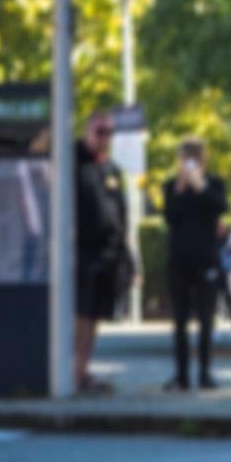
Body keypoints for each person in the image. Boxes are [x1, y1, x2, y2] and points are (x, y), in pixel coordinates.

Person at [161, 139, 225, 391]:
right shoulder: (171, 186)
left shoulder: (214, 184)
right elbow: (169, 216)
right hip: (179, 261)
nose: (190, 162)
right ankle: (181, 375)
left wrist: (199, 185)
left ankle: (205, 373)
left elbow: (219, 207)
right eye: (185, 156)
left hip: (206, 258)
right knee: (179, 319)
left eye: (195, 156)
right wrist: (180, 187)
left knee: (206, 318)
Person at [73, 111, 128, 394]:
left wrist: (126, 256)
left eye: (109, 133)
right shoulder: (72, 161)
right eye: (99, 131)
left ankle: (82, 372)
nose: (104, 138)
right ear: (88, 130)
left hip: (107, 254)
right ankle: (72, 373)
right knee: (79, 314)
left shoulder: (111, 170)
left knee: (93, 314)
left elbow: (121, 213)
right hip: (80, 252)